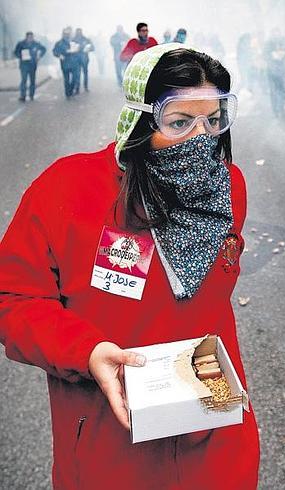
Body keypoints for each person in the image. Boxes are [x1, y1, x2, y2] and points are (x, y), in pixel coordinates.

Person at [0, 43, 259, 489]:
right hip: (111, 442)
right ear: (140, 119)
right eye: (178, 122)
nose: (200, 138)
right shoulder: (66, 189)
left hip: (214, 431)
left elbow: (214, 302)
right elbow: (14, 298)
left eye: (213, 120)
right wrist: (84, 350)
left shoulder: (229, 185)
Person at [263, 29, 285, 120]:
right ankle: (276, 111)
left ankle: (281, 108)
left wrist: (284, 55)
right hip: (272, 71)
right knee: (274, 92)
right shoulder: (268, 44)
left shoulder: (284, 42)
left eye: (278, 33)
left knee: (284, 90)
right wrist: (272, 56)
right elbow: (265, 55)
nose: (276, 35)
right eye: (275, 33)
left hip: (283, 70)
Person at [13, 31, 46, 101]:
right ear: (26, 37)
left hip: (33, 64)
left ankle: (31, 95)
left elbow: (43, 49)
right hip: (24, 65)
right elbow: (16, 52)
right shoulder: (21, 44)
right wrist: (21, 56)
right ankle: (23, 95)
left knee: (32, 80)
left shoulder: (36, 43)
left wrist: (39, 55)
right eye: (29, 37)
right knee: (24, 80)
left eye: (31, 37)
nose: (30, 38)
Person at [53, 27, 80, 98]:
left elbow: (80, 50)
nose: (67, 35)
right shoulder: (59, 43)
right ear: (63, 34)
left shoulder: (74, 42)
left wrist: (78, 50)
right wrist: (59, 55)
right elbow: (55, 51)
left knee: (75, 78)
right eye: (65, 34)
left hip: (74, 63)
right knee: (66, 79)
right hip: (65, 63)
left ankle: (71, 90)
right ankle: (68, 93)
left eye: (68, 34)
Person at [73, 28, 95, 93]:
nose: (79, 33)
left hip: (83, 58)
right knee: (78, 74)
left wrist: (88, 49)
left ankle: (84, 87)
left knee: (83, 73)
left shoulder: (86, 39)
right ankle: (78, 88)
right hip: (77, 59)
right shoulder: (73, 40)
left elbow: (92, 48)